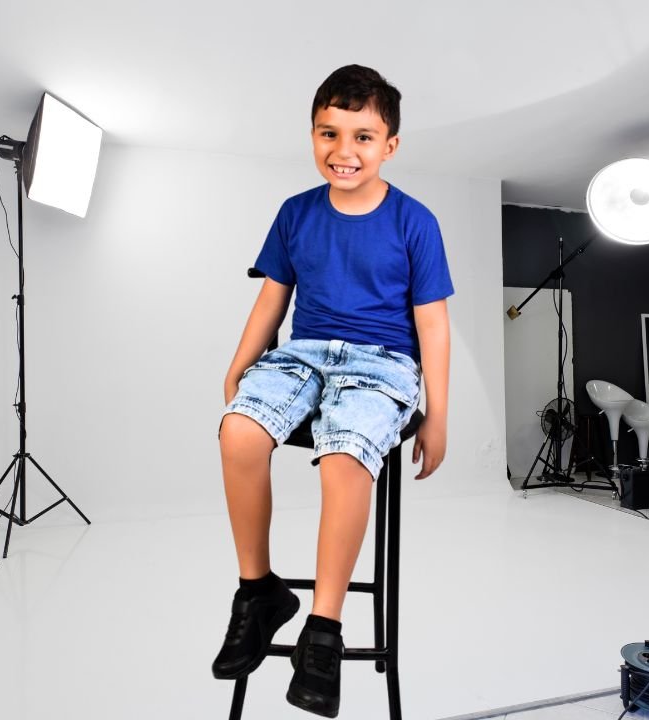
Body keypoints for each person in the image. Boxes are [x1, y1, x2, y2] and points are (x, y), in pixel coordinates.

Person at [211, 64, 453, 718]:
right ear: (313, 134)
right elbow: (272, 299)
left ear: (389, 146)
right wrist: (240, 366)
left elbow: (432, 323)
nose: (343, 151)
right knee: (238, 431)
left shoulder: (414, 221)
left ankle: (323, 626)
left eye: (362, 137)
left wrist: (437, 414)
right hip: (305, 355)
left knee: (345, 457)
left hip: (383, 364)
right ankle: (258, 591)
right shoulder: (296, 213)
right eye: (329, 133)